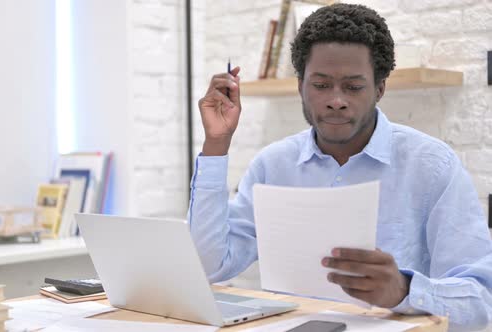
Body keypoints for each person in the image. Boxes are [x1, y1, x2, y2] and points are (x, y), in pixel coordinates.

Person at [188, 3, 492, 331]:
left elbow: (481, 303)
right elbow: (207, 267)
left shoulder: (433, 167)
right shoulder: (272, 166)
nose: (336, 99)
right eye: (320, 85)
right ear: (300, 86)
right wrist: (216, 145)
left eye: (353, 86)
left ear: (379, 88)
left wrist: (403, 291)